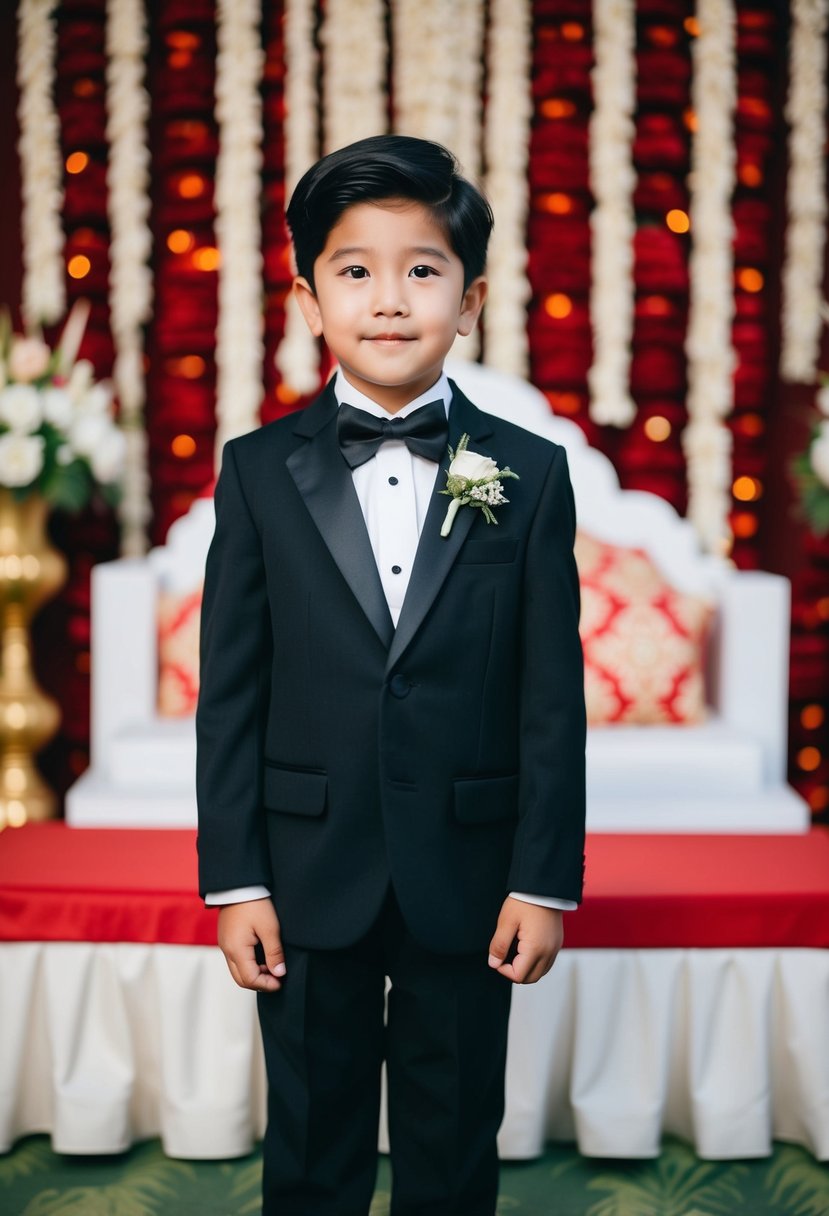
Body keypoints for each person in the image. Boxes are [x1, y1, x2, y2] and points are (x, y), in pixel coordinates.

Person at [196, 133, 586, 1216]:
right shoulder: (259, 470)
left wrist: (541, 877)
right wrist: (236, 880)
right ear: (309, 298)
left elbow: (550, 696)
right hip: (306, 862)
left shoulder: (528, 472)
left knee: (454, 1129)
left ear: (468, 301)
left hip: (466, 869)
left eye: (422, 269)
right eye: (353, 269)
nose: (388, 298)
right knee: (311, 1132)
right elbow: (229, 693)